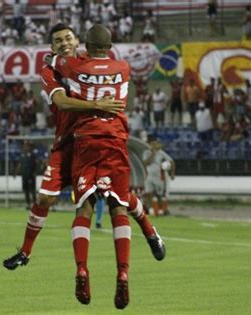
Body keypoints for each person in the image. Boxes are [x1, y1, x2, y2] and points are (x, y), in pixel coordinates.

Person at [4, 24, 164, 275]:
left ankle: (150, 232)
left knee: (117, 196)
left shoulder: (87, 63)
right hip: (65, 143)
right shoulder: (49, 71)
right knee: (44, 198)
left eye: (68, 38)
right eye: (58, 40)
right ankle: (25, 252)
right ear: (52, 46)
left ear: (78, 41)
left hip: (91, 140)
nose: (64, 42)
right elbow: (61, 102)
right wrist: (96, 104)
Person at [46, 23, 148, 309]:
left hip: (86, 140)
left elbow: (56, 63)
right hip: (115, 140)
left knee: (85, 207)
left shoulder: (76, 68)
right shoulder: (124, 67)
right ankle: (123, 271)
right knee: (119, 206)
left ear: (86, 46)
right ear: (111, 45)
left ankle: (81, 267)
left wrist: (52, 59)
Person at [143, 139, 175, 216]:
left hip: (158, 177)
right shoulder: (146, 153)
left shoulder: (161, 153)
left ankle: (161, 211)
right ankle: (150, 211)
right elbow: (145, 163)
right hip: (149, 176)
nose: (154, 145)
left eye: (155, 144)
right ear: (149, 144)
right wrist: (152, 154)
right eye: (152, 144)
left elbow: (171, 161)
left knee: (159, 195)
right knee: (148, 194)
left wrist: (172, 173)